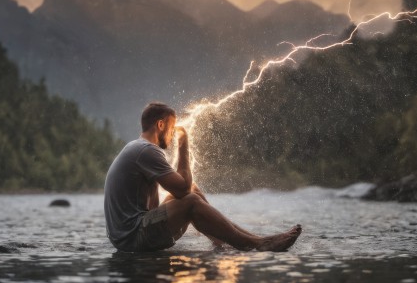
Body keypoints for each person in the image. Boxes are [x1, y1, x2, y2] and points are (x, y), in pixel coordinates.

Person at [104, 102, 302, 252]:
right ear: (161, 124)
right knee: (189, 198)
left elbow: (183, 187)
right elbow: (181, 188)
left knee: (193, 190)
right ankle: (257, 244)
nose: (173, 135)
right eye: (172, 129)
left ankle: (229, 240)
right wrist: (183, 143)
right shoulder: (146, 150)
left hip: (131, 233)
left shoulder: (140, 149)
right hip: (132, 237)